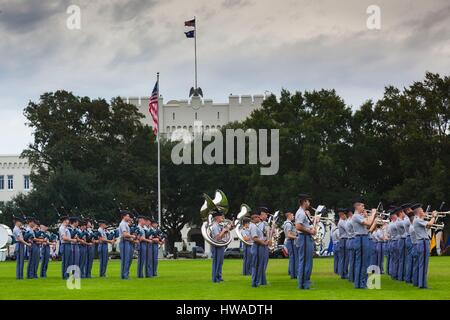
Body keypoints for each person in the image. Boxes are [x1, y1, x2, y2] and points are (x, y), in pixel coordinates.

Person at [351, 201, 376, 289]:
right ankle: (361, 283)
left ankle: (359, 283)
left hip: (362, 238)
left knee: (361, 262)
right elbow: (369, 223)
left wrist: (366, 216)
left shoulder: (359, 216)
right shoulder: (356, 216)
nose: (364, 207)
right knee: (363, 262)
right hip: (361, 238)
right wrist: (373, 214)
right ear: (357, 207)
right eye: (362, 206)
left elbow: (368, 227)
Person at [295, 193, 317, 289]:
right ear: (304, 201)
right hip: (303, 238)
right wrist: (310, 231)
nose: (309, 203)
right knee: (304, 262)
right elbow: (298, 226)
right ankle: (303, 284)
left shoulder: (303, 212)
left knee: (307, 262)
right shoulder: (300, 213)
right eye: (308, 201)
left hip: (306, 237)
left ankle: (305, 282)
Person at [413, 204, 437, 289]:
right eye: (422, 211)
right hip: (423, 242)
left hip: (422, 242)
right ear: (419, 212)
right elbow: (429, 225)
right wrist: (433, 216)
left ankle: (421, 283)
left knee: (422, 264)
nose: (424, 212)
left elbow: (426, 228)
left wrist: (428, 217)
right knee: (423, 265)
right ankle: (423, 285)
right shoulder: (417, 220)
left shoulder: (418, 220)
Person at [249, 209, 267, 287]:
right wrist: (264, 243)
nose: (258, 218)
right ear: (253, 219)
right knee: (256, 265)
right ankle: (255, 283)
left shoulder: (255, 226)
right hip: (257, 246)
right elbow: (255, 238)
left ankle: (256, 282)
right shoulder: (253, 226)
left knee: (259, 265)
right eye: (256, 217)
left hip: (259, 246)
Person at [210, 210, 229, 283]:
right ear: (217, 217)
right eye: (221, 216)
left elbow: (221, 236)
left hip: (220, 245)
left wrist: (226, 230)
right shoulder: (215, 226)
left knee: (220, 262)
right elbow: (218, 237)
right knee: (217, 262)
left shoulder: (218, 225)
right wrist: (223, 231)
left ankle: (218, 277)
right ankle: (216, 278)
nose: (222, 217)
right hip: (217, 246)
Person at [118, 211, 136, 279]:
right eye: (128, 216)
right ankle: (124, 275)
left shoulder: (126, 224)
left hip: (128, 242)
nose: (129, 217)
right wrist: (132, 236)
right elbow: (125, 234)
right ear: (124, 216)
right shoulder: (122, 224)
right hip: (124, 242)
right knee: (126, 259)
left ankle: (125, 274)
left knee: (129, 259)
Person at [283, 211, 298, 279]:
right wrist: (296, 237)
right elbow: (289, 235)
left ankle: (294, 274)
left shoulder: (288, 223)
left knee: (293, 258)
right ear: (289, 216)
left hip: (291, 241)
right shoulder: (288, 224)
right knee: (293, 259)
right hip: (291, 242)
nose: (293, 217)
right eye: (292, 215)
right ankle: (293, 275)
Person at [388, 208, 400, 279]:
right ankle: (395, 274)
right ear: (393, 216)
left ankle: (392, 273)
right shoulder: (394, 224)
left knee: (393, 259)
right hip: (395, 241)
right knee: (396, 260)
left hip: (392, 241)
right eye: (395, 215)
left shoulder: (390, 224)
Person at [337, 208, 348, 279]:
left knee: (343, 258)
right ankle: (344, 273)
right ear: (341, 214)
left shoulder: (342, 221)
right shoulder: (342, 222)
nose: (345, 216)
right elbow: (348, 228)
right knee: (344, 258)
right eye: (344, 214)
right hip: (344, 240)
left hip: (343, 240)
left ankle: (343, 273)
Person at [345, 208, 356, 283]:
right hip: (352, 240)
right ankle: (352, 277)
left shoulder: (347, 221)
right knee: (353, 260)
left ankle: (351, 276)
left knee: (352, 260)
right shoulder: (351, 221)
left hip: (349, 240)